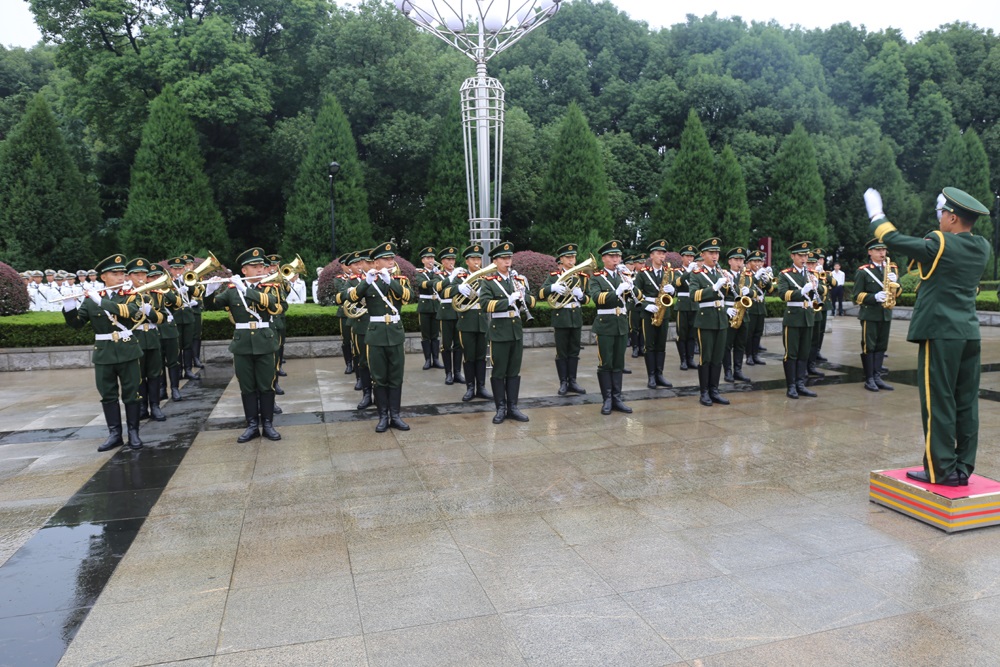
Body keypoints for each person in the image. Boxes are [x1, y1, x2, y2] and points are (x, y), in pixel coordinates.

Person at [865, 186, 990, 486]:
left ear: (953, 217)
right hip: (969, 334)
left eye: (943, 213)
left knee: (939, 402)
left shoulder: (940, 242)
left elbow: (894, 239)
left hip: (941, 333)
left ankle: (941, 470)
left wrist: (876, 215)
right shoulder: (982, 246)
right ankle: (963, 467)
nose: (940, 218)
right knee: (966, 402)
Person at [62, 254, 146, 451]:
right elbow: (77, 324)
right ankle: (115, 434)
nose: (120, 277)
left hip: (127, 350)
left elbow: (132, 314)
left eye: (122, 273)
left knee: (132, 393)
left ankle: (134, 433)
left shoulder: (133, 295)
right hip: (104, 353)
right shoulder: (91, 300)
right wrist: (69, 305)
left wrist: (100, 302)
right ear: (103, 277)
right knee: (108, 394)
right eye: (114, 273)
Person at [203, 247, 284, 443]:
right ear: (244, 270)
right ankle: (251, 426)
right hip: (242, 344)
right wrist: (209, 292)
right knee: (247, 386)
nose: (259, 270)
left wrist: (245, 289)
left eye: (261, 266)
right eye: (254, 267)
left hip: (265, 342)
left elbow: (273, 305)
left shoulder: (270, 287)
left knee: (266, 386)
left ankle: (268, 424)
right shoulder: (232, 291)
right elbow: (212, 305)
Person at [345, 242, 411, 432]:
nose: (391, 262)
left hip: (395, 333)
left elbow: (408, 296)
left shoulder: (399, 280)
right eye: (386, 259)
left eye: (392, 259)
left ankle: (396, 415)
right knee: (379, 377)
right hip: (375, 334)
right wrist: (367, 280)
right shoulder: (367, 281)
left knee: (396, 376)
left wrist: (391, 281)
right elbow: (352, 298)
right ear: (375, 262)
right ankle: (383, 416)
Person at [479, 241, 535, 423]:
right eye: (503, 258)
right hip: (499, 331)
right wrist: (508, 300)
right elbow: (485, 305)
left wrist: (523, 296)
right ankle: (500, 408)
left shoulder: (518, 280)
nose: (507, 261)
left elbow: (532, 302)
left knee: (513, 371)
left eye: (509, 258)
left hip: (515, 330)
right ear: (495, 261)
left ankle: (513, 406)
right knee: (499, 371)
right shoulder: (488, 282)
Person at [588, 240, 633, 415]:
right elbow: (596, 298)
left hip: (621, 324)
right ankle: (607, 399)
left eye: (618, 256)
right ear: (604, 258)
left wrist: (631, 286)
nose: (616, 259)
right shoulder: (597, 278)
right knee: (606, 362)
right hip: (605, 325)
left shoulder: (624, 276)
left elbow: (636, 296)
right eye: (612, 256)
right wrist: (616, 291)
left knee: (618, 363)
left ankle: (617, 398)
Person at [538, 243, 589, 395]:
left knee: (574, 351)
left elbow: (588, 299)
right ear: (561, 259)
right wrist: (552, 288)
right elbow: (540, 294)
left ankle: (572, 381)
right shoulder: (554, 277)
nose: (572, 260)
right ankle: (563, 382)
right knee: (562, 352)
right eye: (568, 257)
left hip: (576, 317)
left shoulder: (581, 276)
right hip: (561, 317)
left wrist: (581, 295)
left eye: (573, 257)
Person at [122, 258, 167, 422]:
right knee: (138, 375)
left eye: (144, 274)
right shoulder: (125, 295)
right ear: (129, 276)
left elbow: (164, 318)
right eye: (137, 274)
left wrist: (151, 312)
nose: (141, 277)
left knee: (155, 374)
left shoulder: (156, 294)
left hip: (153, 337)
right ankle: (142, 407)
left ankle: (155, 406)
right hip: (136, 337)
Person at [688, 238, 731, 406]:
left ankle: (715, 390)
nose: (715, 256)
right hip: (705, 319)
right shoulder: (697, 274)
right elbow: (694, 295)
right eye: (711, 253)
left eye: (717, 253)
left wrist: (728, 284)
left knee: (717, 357)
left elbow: (727, 295)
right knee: (706, 358)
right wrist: (713, 288)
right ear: (703, 255)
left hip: (721, 318)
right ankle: (704, 392)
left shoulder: (721, 272)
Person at [852, 238, 898, 392]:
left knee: (881, 346)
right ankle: (869, 378)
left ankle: (877, 376)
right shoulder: (863, 271)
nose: (881, 253)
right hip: (870, 314)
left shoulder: (891, 269)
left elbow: (898, 292)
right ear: (870, 252)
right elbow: (856, 296)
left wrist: (896, 283)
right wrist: (874, 297)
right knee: (869, 346)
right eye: (878, 250)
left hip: (885, 313)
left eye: (884, 250)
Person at [775, 241, 819, 399]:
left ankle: (801, 384)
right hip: (793, 317)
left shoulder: (810, 274)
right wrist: (801, 291)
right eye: (800, 255)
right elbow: (782, 294)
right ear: (792, 256)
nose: (804, 258)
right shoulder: (785, 274)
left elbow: (819, 294)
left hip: (807, 317)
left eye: (806, 255)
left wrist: (817, 287)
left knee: (803, 353)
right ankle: (791, 386)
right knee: (791, 354)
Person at [450, 244, 493, 402]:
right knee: (469, 356)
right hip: (466, 322)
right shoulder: (461, 277)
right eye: (473, 259)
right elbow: (445, 291)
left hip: (481, 321)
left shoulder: (486, 278)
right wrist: (458, 288)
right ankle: (470, 388)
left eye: (478, 259)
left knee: (481, 356)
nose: (477, 262)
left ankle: (481, 387)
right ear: (467, 261)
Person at [634, 239, 675, 389]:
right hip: (649, 312)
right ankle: (651, 376)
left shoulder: (668, 273)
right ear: (652, 255)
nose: (662, 256)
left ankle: (660, 374)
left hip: (664, 310)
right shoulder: (643, 274)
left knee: (661, 345)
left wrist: (672, 291)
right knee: (649, 346)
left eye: (663, 253)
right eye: (658, 253)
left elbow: (672, 291)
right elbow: (635, 294)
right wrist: (646, 305)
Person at [336, 251, 373, 409]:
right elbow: (340, 297)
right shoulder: (351, 281)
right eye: (356, 264)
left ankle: (378, 393)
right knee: (362, 358)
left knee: (377, 363)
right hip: (361, 323)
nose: (360, 266)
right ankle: (366, 392)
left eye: (361, 263)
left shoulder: (379, 277)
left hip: (377, 323)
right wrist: (355, 291)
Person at [431, 246, 465, 386]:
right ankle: (448, 373)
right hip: (446, 312)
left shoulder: (461, 273)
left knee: (459, 344)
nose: (451, 262)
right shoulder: (438, 275)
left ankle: (457, 372)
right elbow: (439, 289)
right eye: (448, 259)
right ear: (442, 261)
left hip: (459, 311)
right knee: (446, 345)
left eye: (453, 259)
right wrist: (451, 277)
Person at [722, 246, 752, 383]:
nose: (739, 263)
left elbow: (757, 293)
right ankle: (728, 371)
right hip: (729, 313)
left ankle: (738, 370)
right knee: (727, 345)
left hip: (743, 313)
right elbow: (717, 295)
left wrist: (750, 292)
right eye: (736, 259)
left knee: (741, 344)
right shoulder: (723, 274)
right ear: (730, 261)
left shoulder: (747, 276)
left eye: (741, 259)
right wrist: (724, 309)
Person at [414, 246, 446, 371]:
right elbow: (423, 284)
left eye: (432, 257)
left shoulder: (438, 273)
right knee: (426, 335)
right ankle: (428, 359)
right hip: (425, 306)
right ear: (423, 261)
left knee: (435, 334)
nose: (431, 260)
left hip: (436, 306)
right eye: (428, 258)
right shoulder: (419, 273)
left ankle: (436, 359)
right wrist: (437, 277)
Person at [672, 245, 700, 371]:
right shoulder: (677, 271)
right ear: (682, 257)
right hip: (683, 305)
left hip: (694, 305)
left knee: (692, 335)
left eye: (692, 256)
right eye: (687, 256)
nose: (690, 258)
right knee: (682, 334)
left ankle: (690, 359)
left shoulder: (697, 272)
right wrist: (688, 271)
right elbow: (677, 283)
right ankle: (683, 360)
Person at [744, 250, 772, 366]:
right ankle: (749, 356)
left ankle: (755, 355)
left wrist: (768, 280)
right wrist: (756, 276)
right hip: (750, 308)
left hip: (760, 307)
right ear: (749, 263)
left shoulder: (761, 273)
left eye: (760, 261)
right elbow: (746, 288)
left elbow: (770, 290)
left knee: (758, 333)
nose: (758, 264)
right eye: (755, 261)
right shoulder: (745, 274)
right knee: (749, 334)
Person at [331, 255, 354, 375]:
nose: (349, 267)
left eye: (351, 264)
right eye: (346, 265)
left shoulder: (360, 278)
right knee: (346, 340)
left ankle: (357, 362)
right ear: (342, 266)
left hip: (357, 312)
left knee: (357, 339)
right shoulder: (339, 279)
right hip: (345, 313)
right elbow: (342, 293)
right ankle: (349, 363)